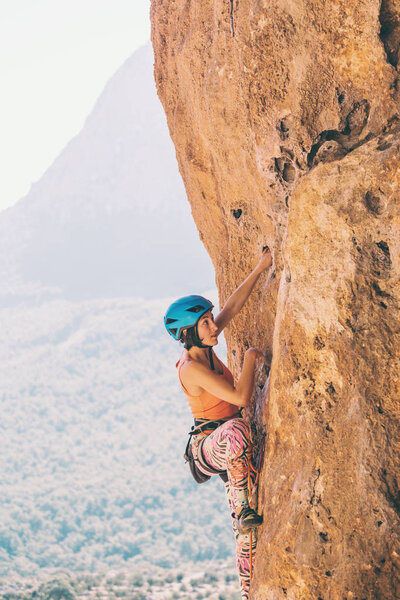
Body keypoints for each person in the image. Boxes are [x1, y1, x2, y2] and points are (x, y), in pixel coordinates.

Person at [164, 247, 273, 599]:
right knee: (239, 430)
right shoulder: (192, 368)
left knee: (248, 539)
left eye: (210, 319)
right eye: (206, 323)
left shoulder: (205, 345)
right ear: (188, 334)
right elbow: (240, 399)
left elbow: (233, 307)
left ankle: (248, 588)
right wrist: (253, 358)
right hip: (208, 447)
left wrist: (261, 266)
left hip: (227, 442)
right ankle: (242, 508)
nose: (215, 326)